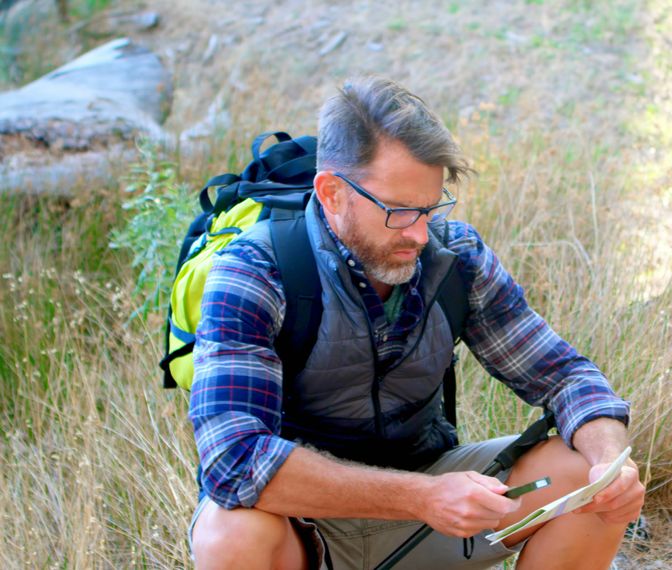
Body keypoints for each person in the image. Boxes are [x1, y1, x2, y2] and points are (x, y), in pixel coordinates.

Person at [188, 75, 644, 570]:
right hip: (303, 520)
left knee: (583, 475)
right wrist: (421, 498)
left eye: (430, 208)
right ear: (332, 192)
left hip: (431, 502)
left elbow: (567, 377)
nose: (421, 235)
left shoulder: (456, 258)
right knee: (230, 534)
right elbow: (234, 460)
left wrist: (610, 463)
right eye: (400, 211)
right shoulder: (256, 270)